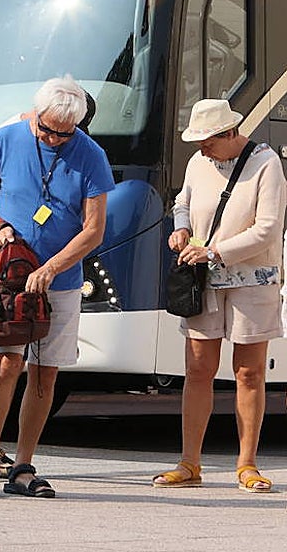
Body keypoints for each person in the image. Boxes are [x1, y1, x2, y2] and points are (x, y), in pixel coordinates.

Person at [0, 75, 113, 499]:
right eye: (47, 130)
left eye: (65, 134)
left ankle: (23, 464)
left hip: (60, 282)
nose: (54, 139)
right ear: (37, 114)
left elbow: (94, 229)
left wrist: (52, 267)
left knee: (45, 373)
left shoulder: (91, 155)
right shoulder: (6, 138)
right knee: (5, 363)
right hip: (10, 277)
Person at [152, 99, 284, 493]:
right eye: (198, 143)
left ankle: (247, 464)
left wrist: (214, 252)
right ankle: (189, 462)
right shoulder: (199, 162)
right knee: (197, 370)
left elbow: (268, 228)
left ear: (230, 133)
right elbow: (182, 202)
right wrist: (181, 228)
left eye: (208, 142)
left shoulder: (266, 163)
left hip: (252, 279)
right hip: (204, 280)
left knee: (249, 372)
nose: (202, 150)